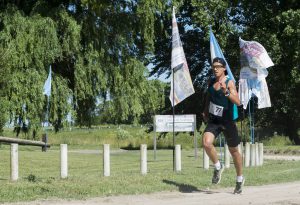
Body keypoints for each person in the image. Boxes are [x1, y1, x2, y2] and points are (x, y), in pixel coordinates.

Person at [202, 57, 244, 194]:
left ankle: (239, 179)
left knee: (234, 151)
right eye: (213, 66)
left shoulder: (229, 82)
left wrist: (226, 91)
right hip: (214, 121)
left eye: (218, 66)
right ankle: (218, 166)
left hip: (227, 121)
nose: (215, 68)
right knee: (206, 143)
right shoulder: (211, 82)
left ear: (224, 68)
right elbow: (209, 96)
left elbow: (238, 102)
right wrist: (205, 110)